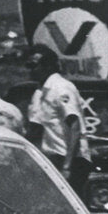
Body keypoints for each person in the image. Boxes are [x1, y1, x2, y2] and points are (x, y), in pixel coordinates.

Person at [24, 44, 92, 197]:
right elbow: (35, 129)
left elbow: (74, 126)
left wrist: (67, 167)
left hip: (70, 159)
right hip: (51, 158)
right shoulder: (40, 92)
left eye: (33, 65)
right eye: (28, 65)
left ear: (48, 66)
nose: (30, 70)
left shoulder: (61, 88)